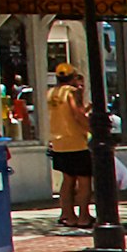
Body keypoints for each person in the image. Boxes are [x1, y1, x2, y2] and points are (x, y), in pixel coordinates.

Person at [46, 70, 94, 228]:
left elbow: (64, 115)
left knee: (67, 180)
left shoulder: (52, 93)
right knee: (84, 181)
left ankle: (68, 215)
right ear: (72, 78)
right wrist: (92, 129)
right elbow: (76, 115)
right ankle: (84, 217)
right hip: (76, 142)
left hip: (59, 142)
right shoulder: (71, 92)